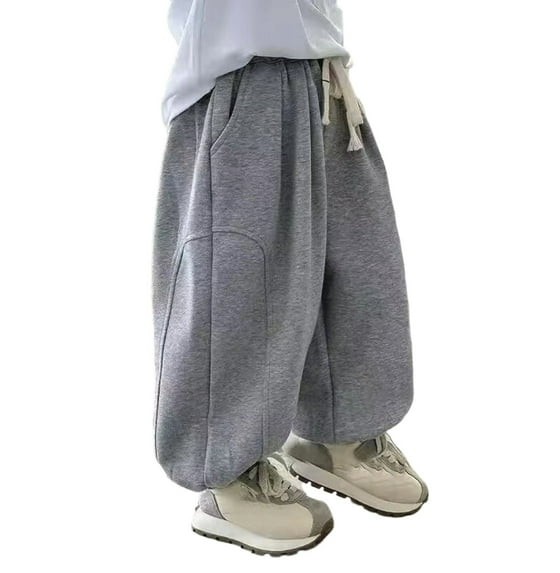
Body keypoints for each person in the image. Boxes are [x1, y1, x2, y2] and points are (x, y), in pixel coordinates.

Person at [153, 0, 428, 556]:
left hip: (324, 74)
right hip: (239, 81)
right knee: (238, 283)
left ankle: (339, 434)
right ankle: (227, 473)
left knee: (359, 264)